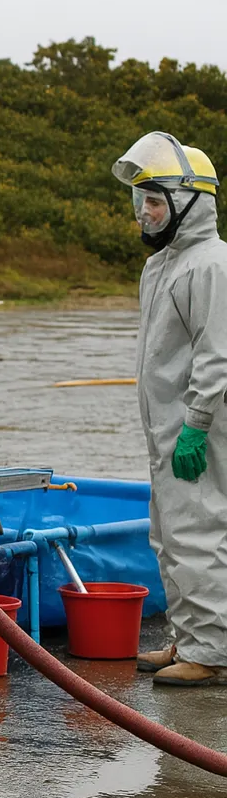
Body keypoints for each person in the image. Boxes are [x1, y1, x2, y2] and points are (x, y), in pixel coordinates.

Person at [115, 131, 227, 686]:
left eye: (154, 203)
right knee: (169, 533)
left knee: (198, 531)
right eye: (140, 204)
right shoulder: (161, 266)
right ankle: (190, 636)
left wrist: (196, 425)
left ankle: (210, 654)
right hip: (165, 427)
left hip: (196, 427)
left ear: (190, 204)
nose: (144, 215)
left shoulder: (211, 264)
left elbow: (216, 353)